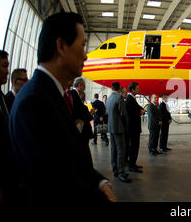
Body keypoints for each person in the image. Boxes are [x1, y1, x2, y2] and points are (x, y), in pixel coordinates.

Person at [9, 13, 116, 202]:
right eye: (82, 45)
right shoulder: (33, 102)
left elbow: (69, 158)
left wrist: (99, 181)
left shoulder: (49, 94)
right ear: (61, 46)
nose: (85, 54)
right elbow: (53, 182)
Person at [0, 50, 25, 202]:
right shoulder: (6, 98)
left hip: (11, 174)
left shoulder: (3, 99)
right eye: (4, 66)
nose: (7, 71)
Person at [106, 81, 130, 182]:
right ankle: (121, 172)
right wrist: (125, 125)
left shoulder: (109, 98)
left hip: (111, 128)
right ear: (119, 88)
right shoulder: (119, 98)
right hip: (119, 128)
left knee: (113, 149)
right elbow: (123, 114)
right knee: (121, 150)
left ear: (111, 88)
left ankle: (115, 170)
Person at [125, 82, 144, 172]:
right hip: (133, 128)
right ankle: (131, 166)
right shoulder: (129, 99)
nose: (139, 89)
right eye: (137, 88)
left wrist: (140, 110)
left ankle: (133, 164)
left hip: (135, 128)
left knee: (135, 147)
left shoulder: (132, 99)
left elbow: (137, 108)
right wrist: (140, 112)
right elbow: (132, 113)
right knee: (133, 147)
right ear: (132, 90)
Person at [71, 77, 95, 148]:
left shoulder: (75, 94)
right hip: (80, 129)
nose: (84, 88)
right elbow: (80, 114)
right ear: (79, 86)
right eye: (84, 86)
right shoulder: (74, 94)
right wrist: (91, 113)